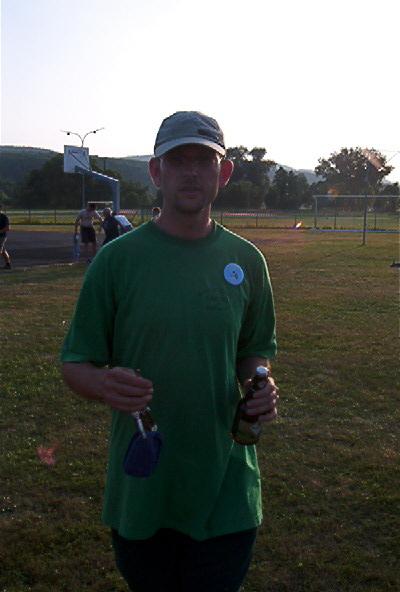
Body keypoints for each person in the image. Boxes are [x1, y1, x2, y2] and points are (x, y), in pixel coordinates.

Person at [61, 110, 278, 592]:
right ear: (156, 171)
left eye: (204, 160)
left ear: (224, 172)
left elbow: (255, 350)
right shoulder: (117, 261)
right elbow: (75, 362)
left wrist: (259, 383)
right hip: (144, 485)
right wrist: (103, 383)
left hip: (225, 488)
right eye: (178, 160)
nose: (192, 172)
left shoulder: (247, 261)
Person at [0, 204, 11, 269]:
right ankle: (8, 264)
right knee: (3, 251)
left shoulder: (4, 217)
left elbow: (8, 228)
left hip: (2, 236)